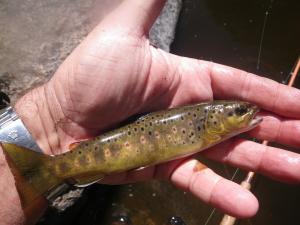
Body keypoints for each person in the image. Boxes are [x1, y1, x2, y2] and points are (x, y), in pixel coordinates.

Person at [1, 0, 300, 224]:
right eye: (239, 111)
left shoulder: (207, 128)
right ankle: (45, 170)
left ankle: (43, 170)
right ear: (213, 120)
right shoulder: (203, 126)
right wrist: (50, 117)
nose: (247, 113)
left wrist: (46, 122)